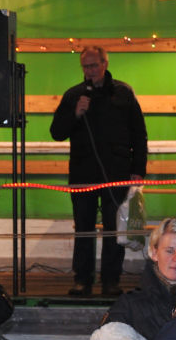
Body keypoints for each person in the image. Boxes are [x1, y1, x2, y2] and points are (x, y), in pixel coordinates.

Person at [50, 47, 148, 296]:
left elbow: (139, 134)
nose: (90, 71)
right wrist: (75, 113)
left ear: (105, 64)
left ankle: (111, 280)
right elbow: (56, 132)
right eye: (85, 66)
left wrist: (138, 169)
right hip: (82, 172)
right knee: (84, 227)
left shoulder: (123, 93)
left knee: (113, 228)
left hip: (117, 171)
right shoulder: (74, 95)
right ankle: (82, 279)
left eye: (94, 65)